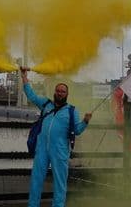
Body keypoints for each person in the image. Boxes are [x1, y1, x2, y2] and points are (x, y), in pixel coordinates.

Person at [20, 67, 92, 207]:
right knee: (36, 180)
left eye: (62, 91)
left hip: (60, 151)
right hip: (42, 149)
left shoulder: (71, 111)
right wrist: (24, 77)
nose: (59, 93)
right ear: (54, 92)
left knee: (60, 182)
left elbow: (76, 130)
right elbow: (31, 96)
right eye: (58, 91)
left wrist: (85, 122)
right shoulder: (46, 104)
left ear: (67, 94)